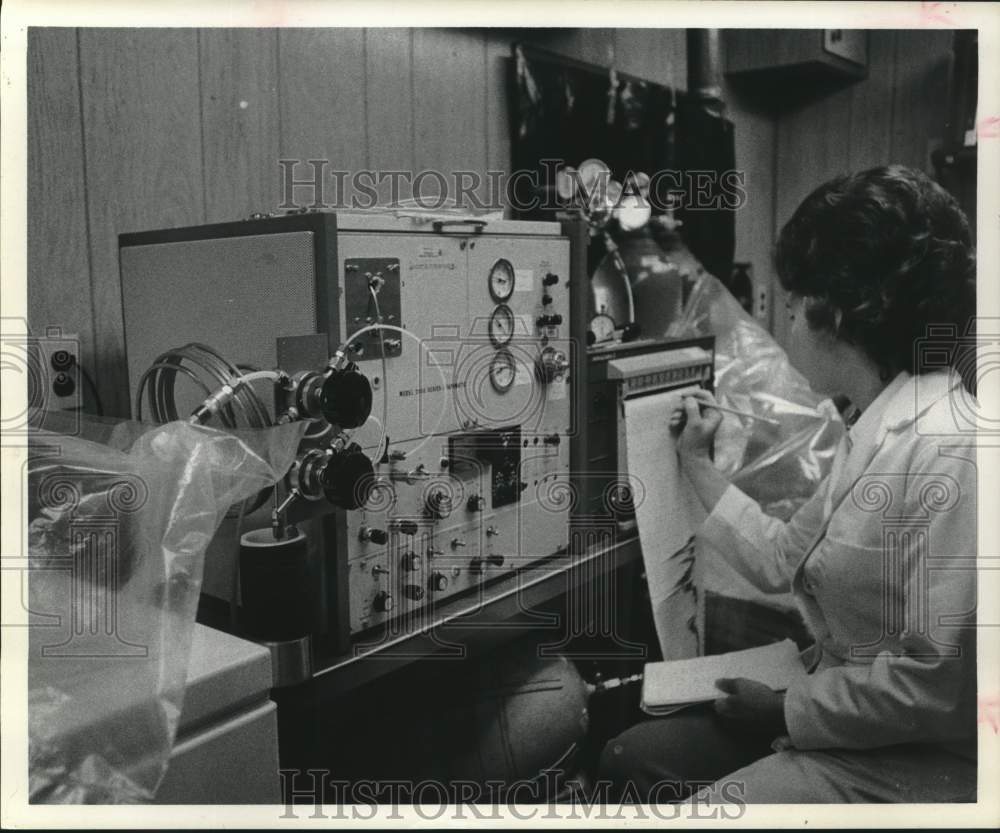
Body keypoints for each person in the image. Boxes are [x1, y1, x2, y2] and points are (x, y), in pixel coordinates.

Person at [599, 165, 978, 804]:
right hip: (845, 708)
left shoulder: (950, 451)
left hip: (919, 757)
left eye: (795, 308)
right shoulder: (876, 426)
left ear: (837, 313)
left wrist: (786, 710)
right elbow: (782, 558)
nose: (787, 326)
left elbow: (941, 687)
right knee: (629, 756)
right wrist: (696, 463)